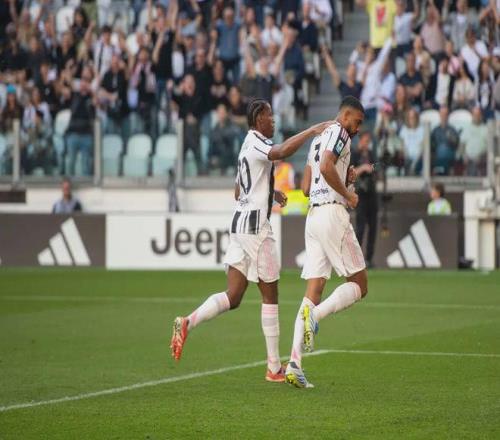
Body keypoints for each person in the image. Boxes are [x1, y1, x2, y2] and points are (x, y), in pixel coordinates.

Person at [170, 99, 331, 383]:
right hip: (256, 228)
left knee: (233, 296)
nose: (273, 120)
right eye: (269, 115)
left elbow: (238, 190)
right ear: (258, 120)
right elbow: (281, 151)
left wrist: (271, 193)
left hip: (238, 225)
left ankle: (187, 322)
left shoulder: (246, 145)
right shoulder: (258, 142)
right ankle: (274, 367)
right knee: (270, 295)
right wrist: (311, 131)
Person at [284, 96, 367, 388]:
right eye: (357, 121)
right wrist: (348, 193)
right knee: (360, 284)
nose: (357, 128)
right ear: (345, 115)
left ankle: (294, 363)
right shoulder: (340, 132)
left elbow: (306, 187)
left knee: (313, 291)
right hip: (332, 214)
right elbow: (327, 166)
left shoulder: (318, 138)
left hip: (314, 218)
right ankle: (315, 316)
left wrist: (346, 176)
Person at [352, 131, 378, 268]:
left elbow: (377, 167)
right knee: (360, 228)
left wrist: (372, 168)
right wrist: (362, 168)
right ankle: (357, 259)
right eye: (365, 141)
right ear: (360, 140)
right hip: (360, 194)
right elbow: (350, 174)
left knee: (373, 228)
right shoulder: (354, 154)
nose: (367, 144)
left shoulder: (371, 154)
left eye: (368, 141)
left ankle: (369, 258)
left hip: (372, 193)